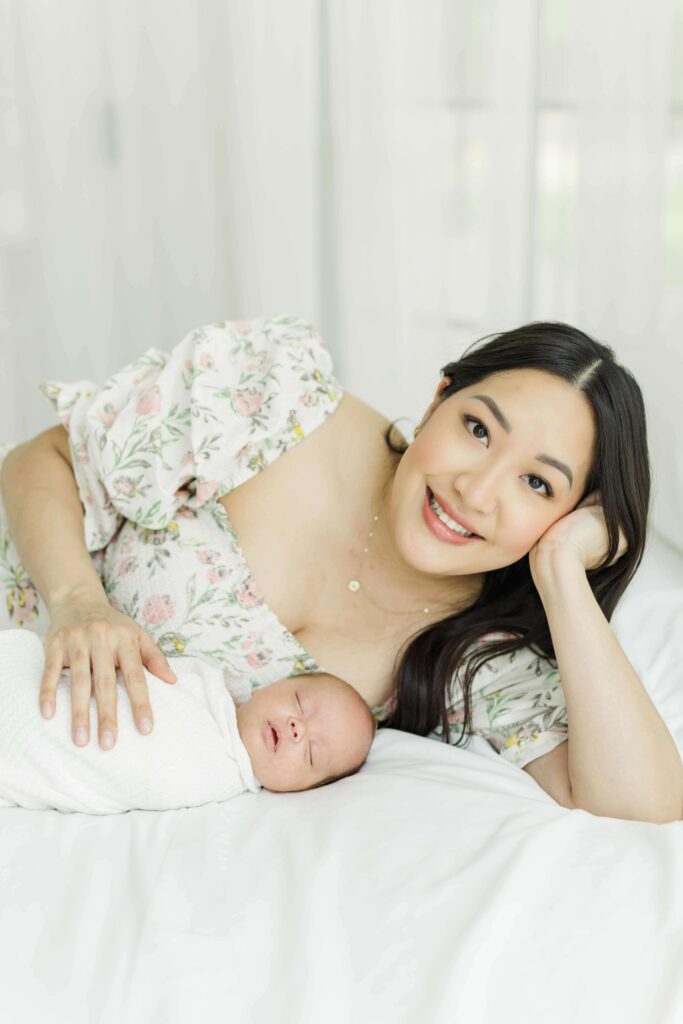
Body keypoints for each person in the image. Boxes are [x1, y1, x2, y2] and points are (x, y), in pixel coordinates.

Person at [1, 315, 681, 823]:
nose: (475, 492)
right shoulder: (276, 399)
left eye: (537, 485)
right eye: (477, 430)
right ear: (440, 397)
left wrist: (561, 568)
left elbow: (644, 807)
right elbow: (46, 460)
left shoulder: (481, 657)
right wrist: (78, 602)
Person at [0, 628, 375, 813]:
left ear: (301, 790)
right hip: (26, 678)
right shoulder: (199, 679)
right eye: (300, 703)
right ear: (271, 686)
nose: (298, 727)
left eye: (311, 752)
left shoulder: (214, 786)